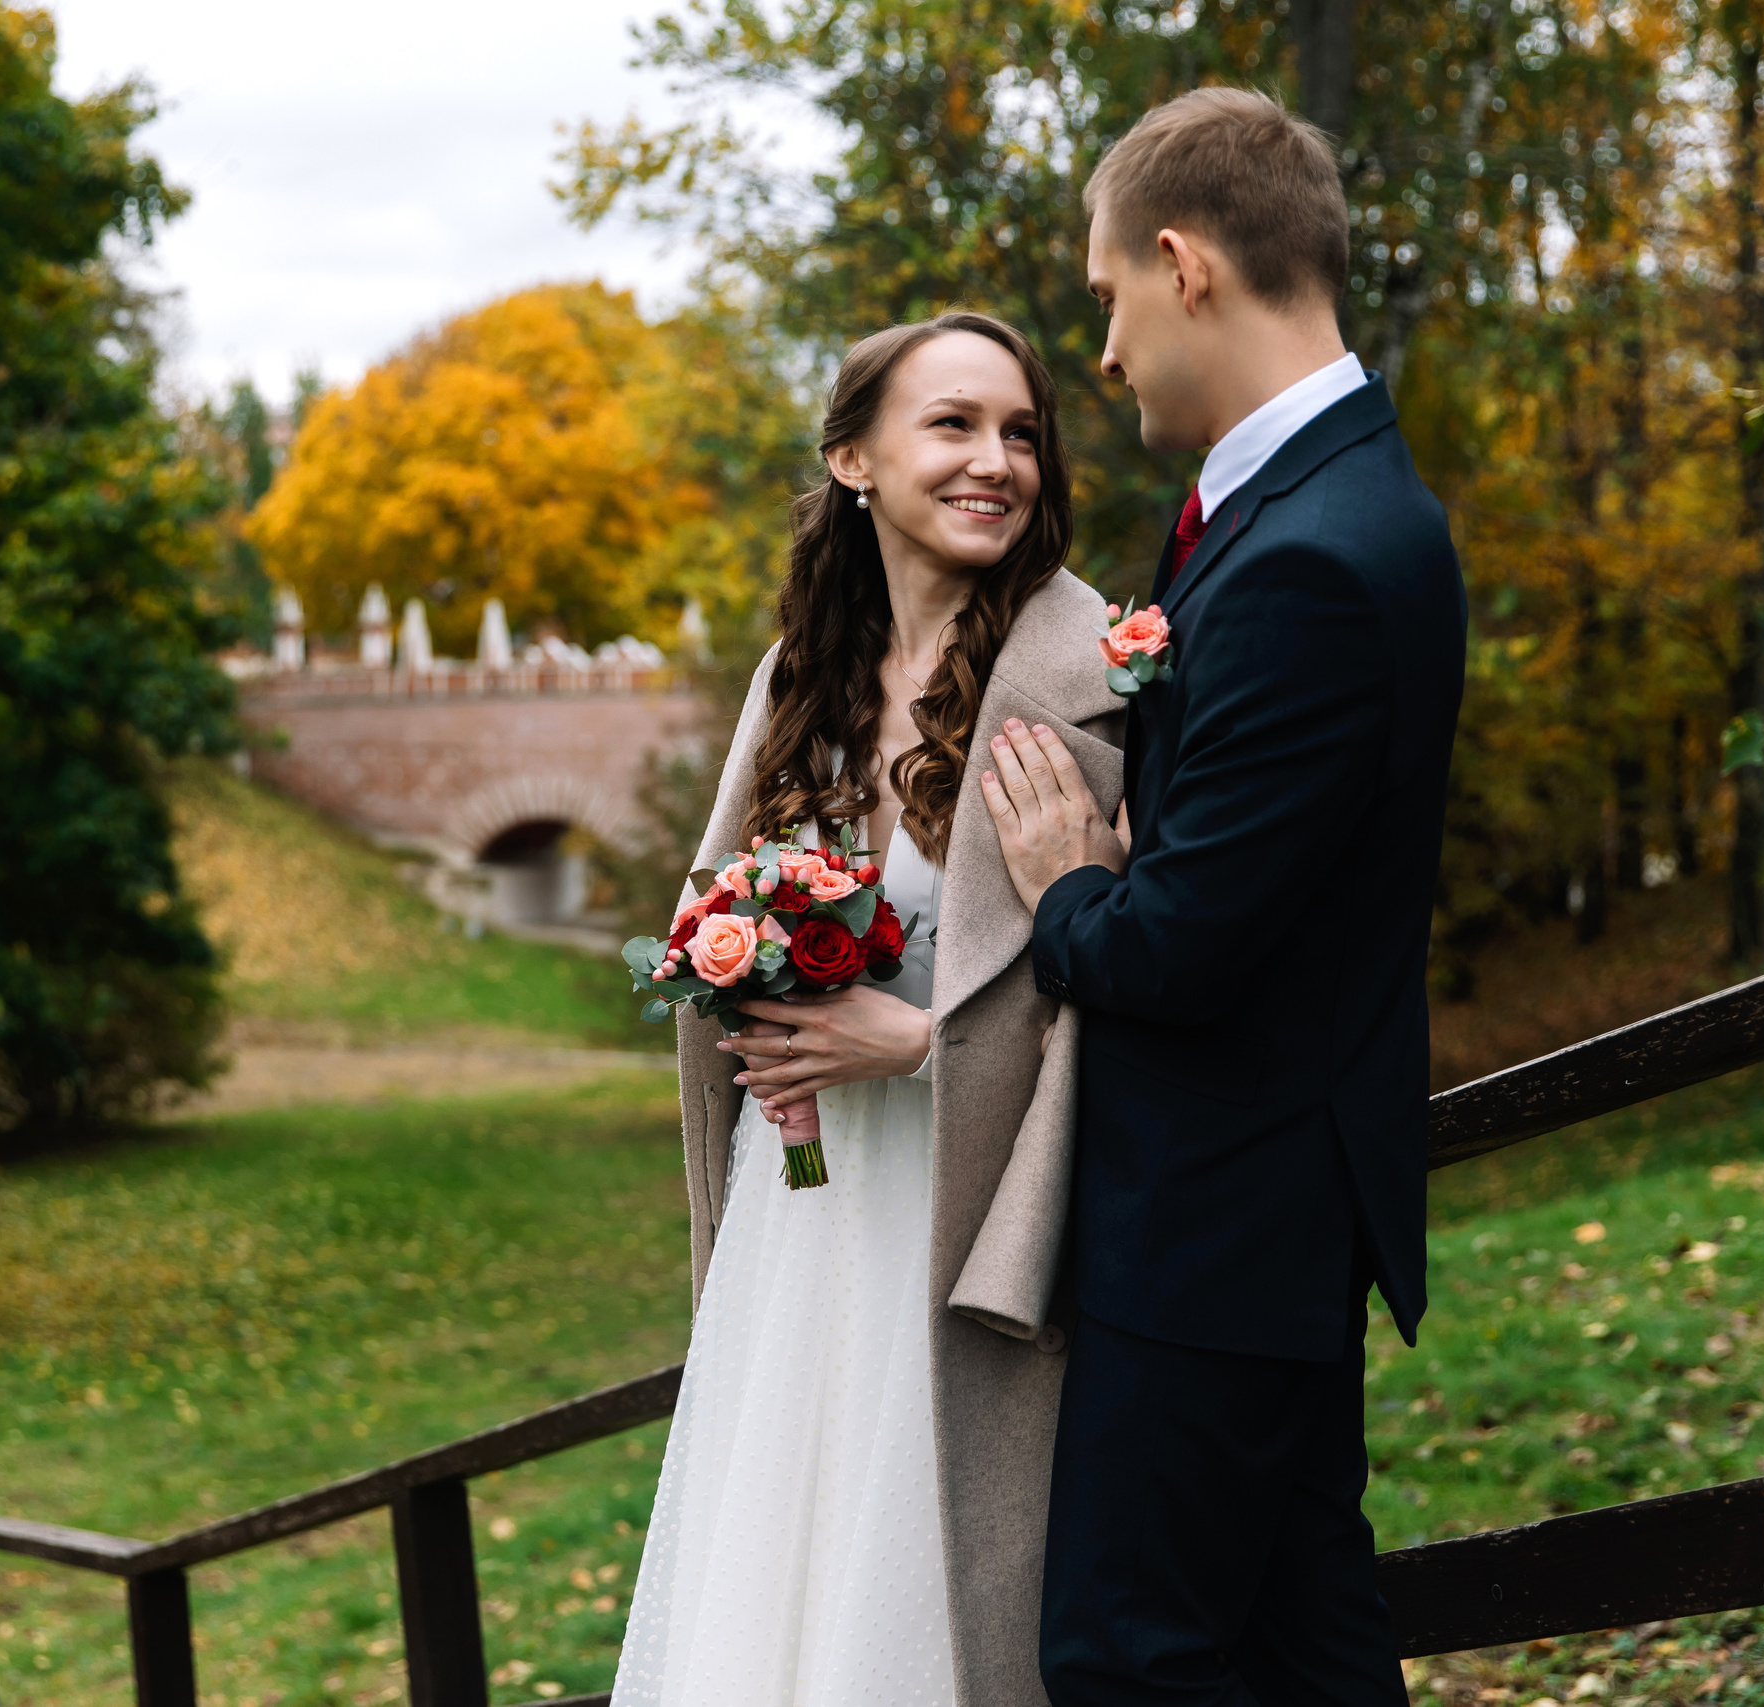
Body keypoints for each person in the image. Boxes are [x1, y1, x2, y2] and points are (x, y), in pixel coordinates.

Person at [981, 88, 1469, 1707]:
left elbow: (1178, 947)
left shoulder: (1315, 556)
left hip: (1218, 1223)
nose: (1103, 357)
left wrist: (1064, 888)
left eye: (1109, 298)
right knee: (1299, 1644)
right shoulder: (1305, 506)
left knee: (1126, 1662)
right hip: (1257, 1211)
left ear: (1184, 266)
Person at [611, 311, 1125, 1707]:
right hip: (809, 1220)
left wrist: (914, 1044)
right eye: (953, 425)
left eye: (1021, 432)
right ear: (853, 457)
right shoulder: (802, 682)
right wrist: (752, 1005)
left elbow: (1127, 977)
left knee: (931, 1600)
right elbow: (714, 922)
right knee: (782, 1591)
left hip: (963, 1216)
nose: (997, 462)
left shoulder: (1102, 670)